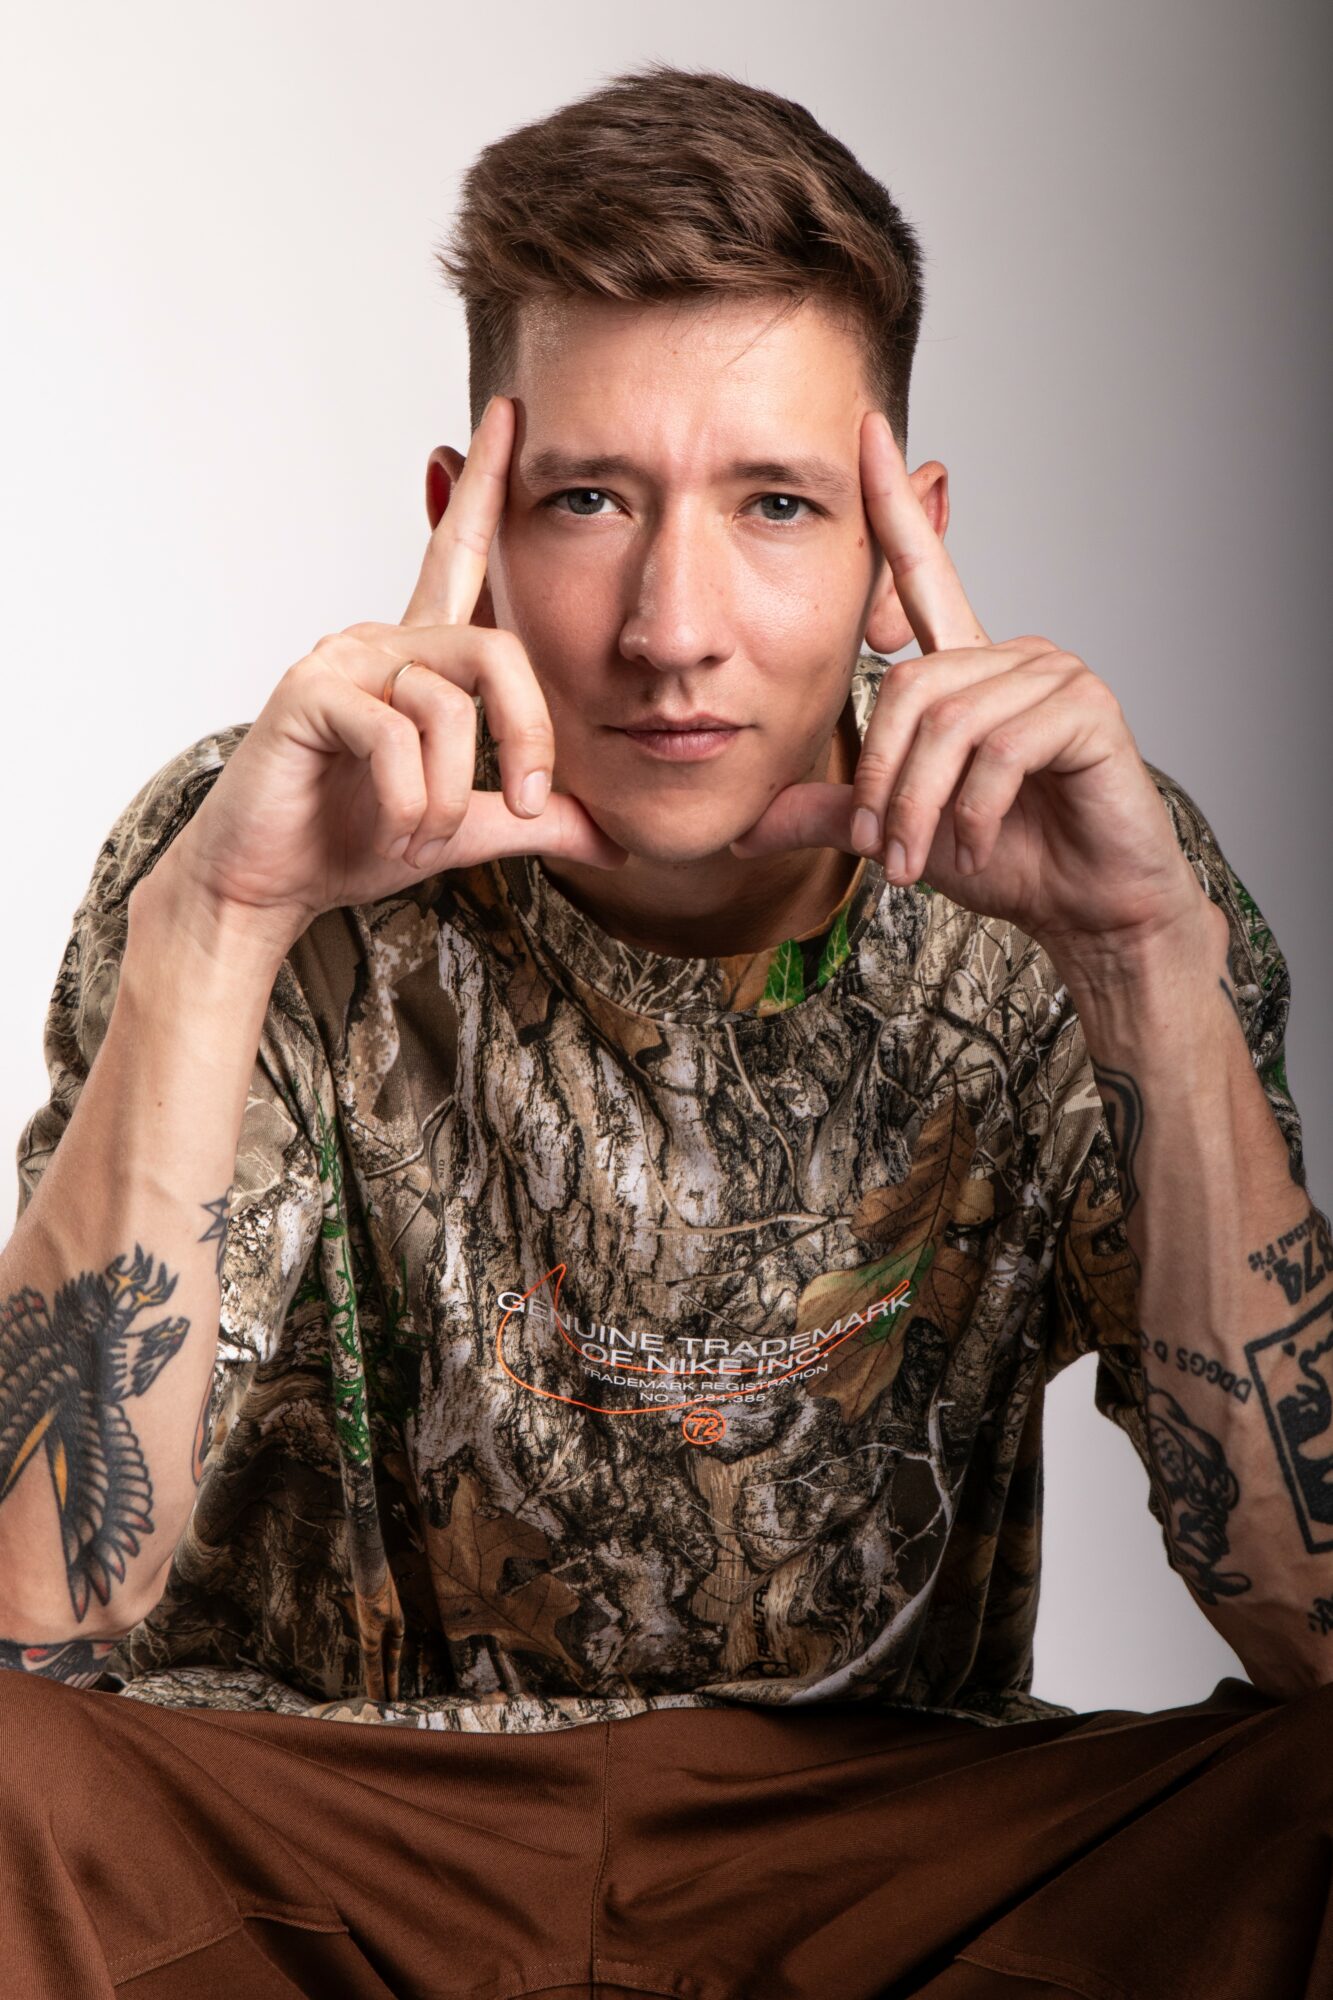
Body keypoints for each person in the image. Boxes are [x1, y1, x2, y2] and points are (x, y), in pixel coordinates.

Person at [1, 58, 1329, 2000]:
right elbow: (31, 1615)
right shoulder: (261, 835)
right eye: (589, 501)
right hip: (337, 1833)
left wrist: (1140, 959)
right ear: (463, 518)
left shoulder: (1075, 867)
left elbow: (1312, 1628)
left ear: (899, 535)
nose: (670, 624)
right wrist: (221, 920)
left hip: (876, 1853)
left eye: (776, 503)